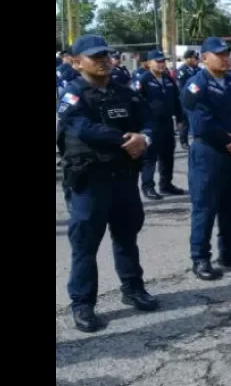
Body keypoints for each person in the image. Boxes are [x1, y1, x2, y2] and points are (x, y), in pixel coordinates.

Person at [57, 34, 159, 333]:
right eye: (94, 57)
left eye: (105, 55)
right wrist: (127, 140)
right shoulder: (72, 94)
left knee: (127, 236)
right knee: (85, 244)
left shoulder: (124, 92)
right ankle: (83, 304)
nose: (103, 61)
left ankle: (133, 288)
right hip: (90, 181)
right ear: (77, 63)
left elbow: (148, 119)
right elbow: (83, 128)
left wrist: (145, 137)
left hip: (124, 178)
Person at [182, 37, 231, 281]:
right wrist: (229, 140)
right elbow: (201, 123)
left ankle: (229, 252)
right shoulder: (196, 85)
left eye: (227, 54)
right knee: (205, 207)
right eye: (219, 54)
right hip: (209, 153)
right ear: (204, 58)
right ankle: (200, 258)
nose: (226, 58)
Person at [134, 49, 185, 200]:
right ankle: (148, 187)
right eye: (158, 61)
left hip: (167, 123)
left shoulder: (168, 79)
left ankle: (166, 185)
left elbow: (177, 100)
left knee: (168, 155)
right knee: (150, 157)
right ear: (149, 63)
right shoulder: (143, 80)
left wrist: (180, 118)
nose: (162, 64)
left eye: (163, 61)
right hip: (150, 124)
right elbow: (135, 102)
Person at [176, 50, 200, 150]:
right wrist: (197, 89)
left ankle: (197, 139)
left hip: (197, 100)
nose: (196, 60)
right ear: (188, 58)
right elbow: (182, 87)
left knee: (196, 120)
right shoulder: (182, 70)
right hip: (186, 100)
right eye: (194, 58)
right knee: (185, 122)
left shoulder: (197, 69)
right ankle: (184, 141)